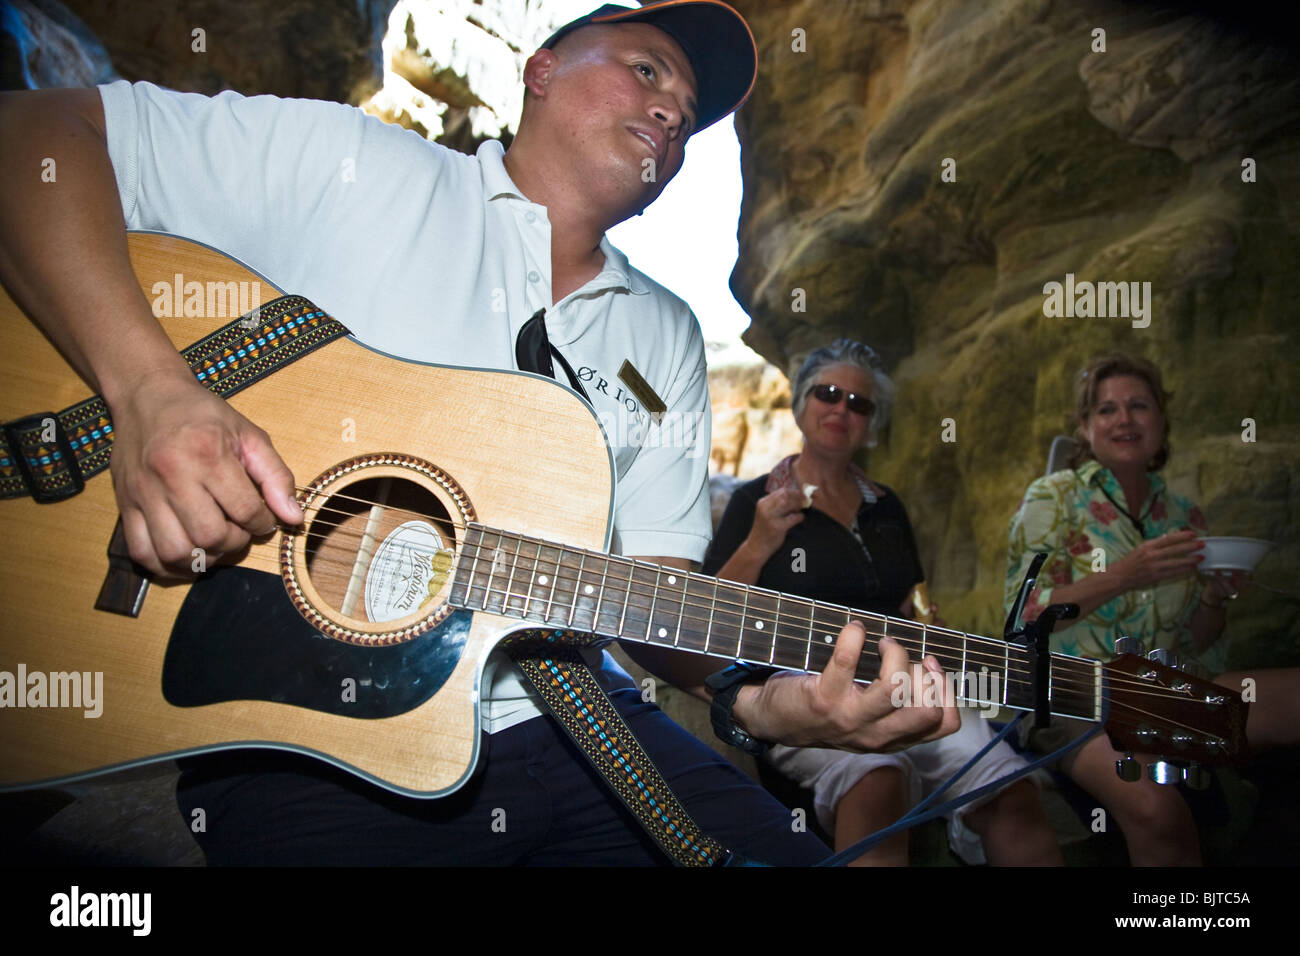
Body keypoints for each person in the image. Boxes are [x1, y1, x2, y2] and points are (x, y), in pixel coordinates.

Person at [0, 2, 958, 865]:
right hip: (309, 737)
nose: (674, 113)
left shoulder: (664, 333)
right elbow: (33, 134)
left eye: (693, 113)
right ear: (540, 69)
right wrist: (151, 395)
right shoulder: (354, 166)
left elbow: (662, 605)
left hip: (578, 721)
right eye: (647, 69)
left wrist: (771, 704)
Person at [703, 339, 1061, 866]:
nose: (842, 409)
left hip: (904, 682)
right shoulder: (753, 500)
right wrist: (758, 544)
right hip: (804, 690)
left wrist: (924, 621)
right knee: (878, 780)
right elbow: (709, 612)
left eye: (859, 403)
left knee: (1011, 789)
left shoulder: (886, 505)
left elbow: (909, 598)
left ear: (871, 425)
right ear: (801, 405)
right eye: (828, 393)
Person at [1006, 352, 1298, 865]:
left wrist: (1214, 595)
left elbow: (1195, 641)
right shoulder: (1053, 496)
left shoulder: (1183, 516)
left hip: (1166, 683)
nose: (1124, 419)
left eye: (1139, 406)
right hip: (1073, 689)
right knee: (1157, 810)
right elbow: (1026, 619)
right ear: (1084, 427)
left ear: (1162, 422)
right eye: (1106, 409)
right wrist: (1126, 574)